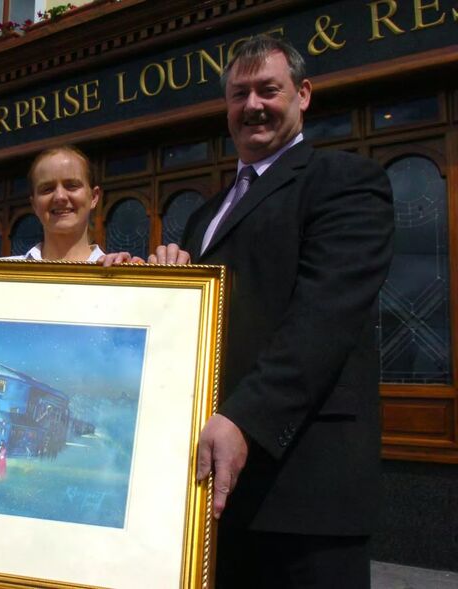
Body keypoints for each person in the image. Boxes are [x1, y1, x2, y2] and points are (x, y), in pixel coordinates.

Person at [154, 35, 394, 588]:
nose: (253, 105)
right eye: (239, 94)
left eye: (269, 90)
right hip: (215, 490)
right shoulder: (206, 214)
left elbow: (324, 318)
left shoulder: (345, 181)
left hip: (305, 493)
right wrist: (162, 278)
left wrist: (244, 417)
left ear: (303, 94)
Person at [6, 145, 104, 262]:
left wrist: (120, 269)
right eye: (47, 189)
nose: (60, 197)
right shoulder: (1, 270)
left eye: (72, 186)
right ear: (34, 204)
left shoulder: (116, 269)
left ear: (93, 197)